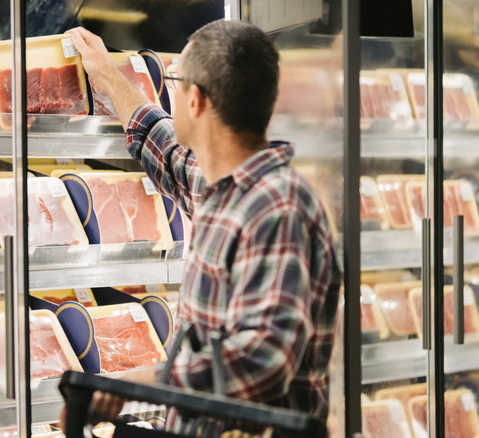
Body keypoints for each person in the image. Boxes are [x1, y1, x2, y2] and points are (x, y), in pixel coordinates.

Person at [63, 20, 342, 430]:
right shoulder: (225, 187)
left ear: (195, 100)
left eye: (175, 81)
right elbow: (167, 150)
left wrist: (140, 383)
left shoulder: (277, 208)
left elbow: (261, 362)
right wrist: (106, 75)